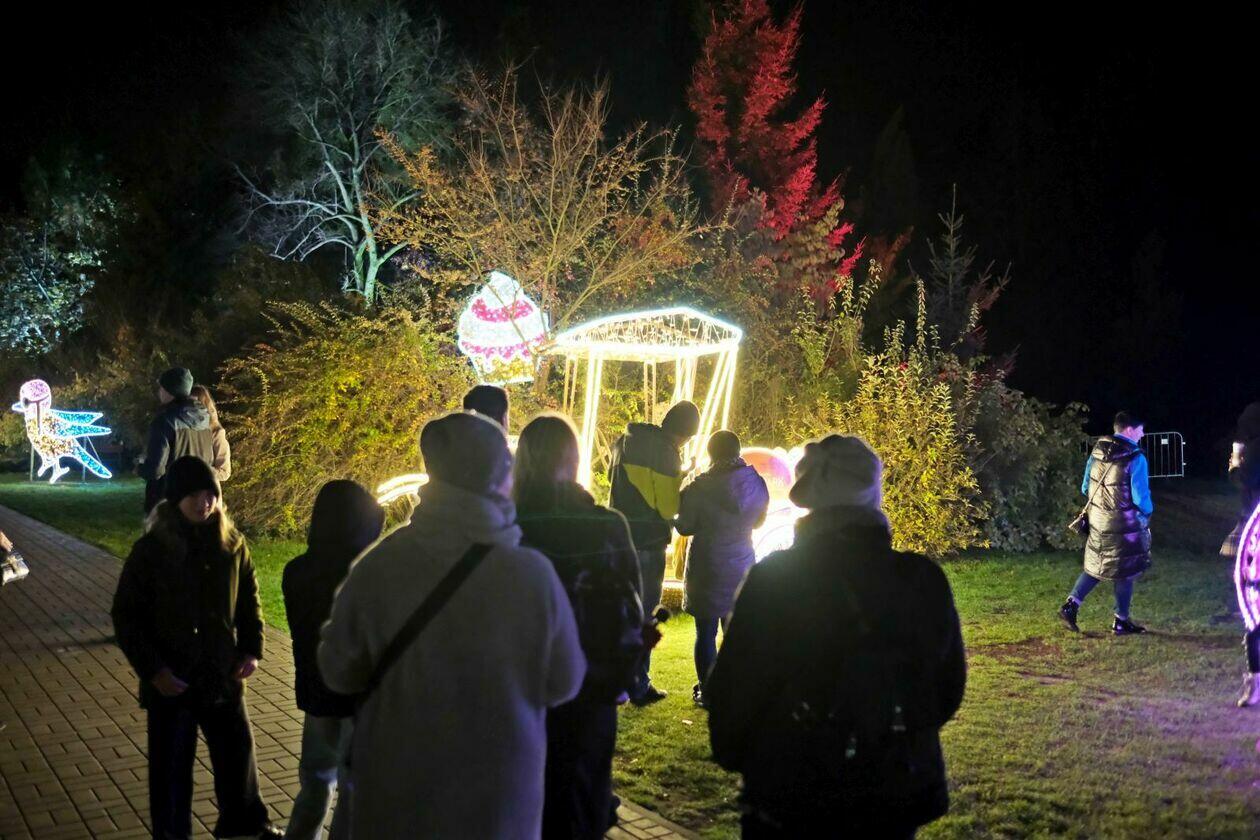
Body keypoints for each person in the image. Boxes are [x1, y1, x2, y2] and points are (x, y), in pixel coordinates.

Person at [317, 411, 585, 839]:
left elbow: (337, 671)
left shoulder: (379, 566)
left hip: (396, 792)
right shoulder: (532, 576)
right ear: (499, 477)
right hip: (498, 803)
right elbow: (565, 682)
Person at [706, 435, 966, 838]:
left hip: (791, 794)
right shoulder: (921, 578)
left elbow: (735, 689)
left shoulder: (777, 578)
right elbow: (945, 689)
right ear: (872, 492)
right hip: (890, 794)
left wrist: (751, 758)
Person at [111, 456, 281, 840]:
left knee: (237, 757)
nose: (205, 503)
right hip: (173, 680)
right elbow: (126, 616)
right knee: (171, 771)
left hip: (221, 672)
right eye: (195, 496)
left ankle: (245, 825)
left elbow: (249, 601)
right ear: (176, 499)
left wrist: (251, 649)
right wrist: (154, 670)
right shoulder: (151, 551)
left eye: (210, 494)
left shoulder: (232, 545)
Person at [514, 413, 647, 839]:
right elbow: (632, 603)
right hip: (593, 681)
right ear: (573, 458)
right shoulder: (606, 525)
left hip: (522, 683)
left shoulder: (510, 527)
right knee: (581, 793)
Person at [281, 481, 385, 840]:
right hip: (355, 698)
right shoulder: (362, 576)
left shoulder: (296, 571)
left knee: (314, 780)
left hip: (316, 693)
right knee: (350, 789)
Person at [608, 399, 700, 705]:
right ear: (686, 434)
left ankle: (616, 679)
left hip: (620, 537)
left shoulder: (624, 441)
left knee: (622, 611)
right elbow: (668, 507)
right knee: (645, 614)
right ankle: (639, 683)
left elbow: (635, 488)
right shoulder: (665, 452)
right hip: (648, 541)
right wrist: (684, 480)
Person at [674, 430, 768, 708]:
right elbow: (759, 521)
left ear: (711, 453)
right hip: (742, 564)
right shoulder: (755, 482)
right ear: (737, 450)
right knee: (735, 633)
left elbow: (685, 526)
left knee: (705, 633)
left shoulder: (699, 487)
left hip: (707, 565)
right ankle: (736, 687)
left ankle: (708, 690)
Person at [1058, 411, 1153, 635]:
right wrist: (1147, 512)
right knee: (1125, 570)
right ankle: (1121, 620)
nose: (1142, 434)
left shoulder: (1097, 451)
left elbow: (1085, 487)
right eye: (1140, 429)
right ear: (1129, 429)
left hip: (1098, 521)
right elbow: (1141, 498)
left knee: (1097, 564)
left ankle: (1071, 605)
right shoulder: (1136, 458)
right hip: (1125, 526)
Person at [137, 367, 215, 514]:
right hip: (195, 500)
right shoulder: (204, 420)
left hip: (168, 501)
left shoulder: (165, 421)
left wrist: (139, 467)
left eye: (162, 387)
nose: (159, 391)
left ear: (170, 391)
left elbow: (156, 470)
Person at [1226, 402, 1260, 707]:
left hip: (1256, 534)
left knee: (1254, 617)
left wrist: (1236, 465)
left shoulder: (1254, 448)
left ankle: (1254, 683)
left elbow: (1244, 480)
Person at [191, 384, 232, 482]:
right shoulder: (184, 430)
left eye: (195, 404)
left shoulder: (216, 433)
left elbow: (224, 472)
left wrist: (200, 470)